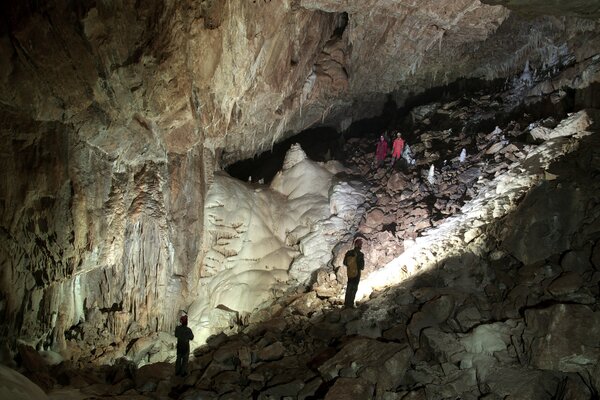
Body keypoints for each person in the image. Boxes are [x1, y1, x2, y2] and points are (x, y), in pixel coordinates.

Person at [343, 238, 365, 307]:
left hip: (350, 272)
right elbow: (362, 267)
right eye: (361, 244)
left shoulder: (349, 252)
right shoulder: (361, 254)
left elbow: (345, 263)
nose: (361, 246)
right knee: (354, 288)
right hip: (357, 273)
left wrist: (351, 266)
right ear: (359, 245)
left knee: (349, 287)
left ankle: (346, 303)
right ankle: (351, 304)